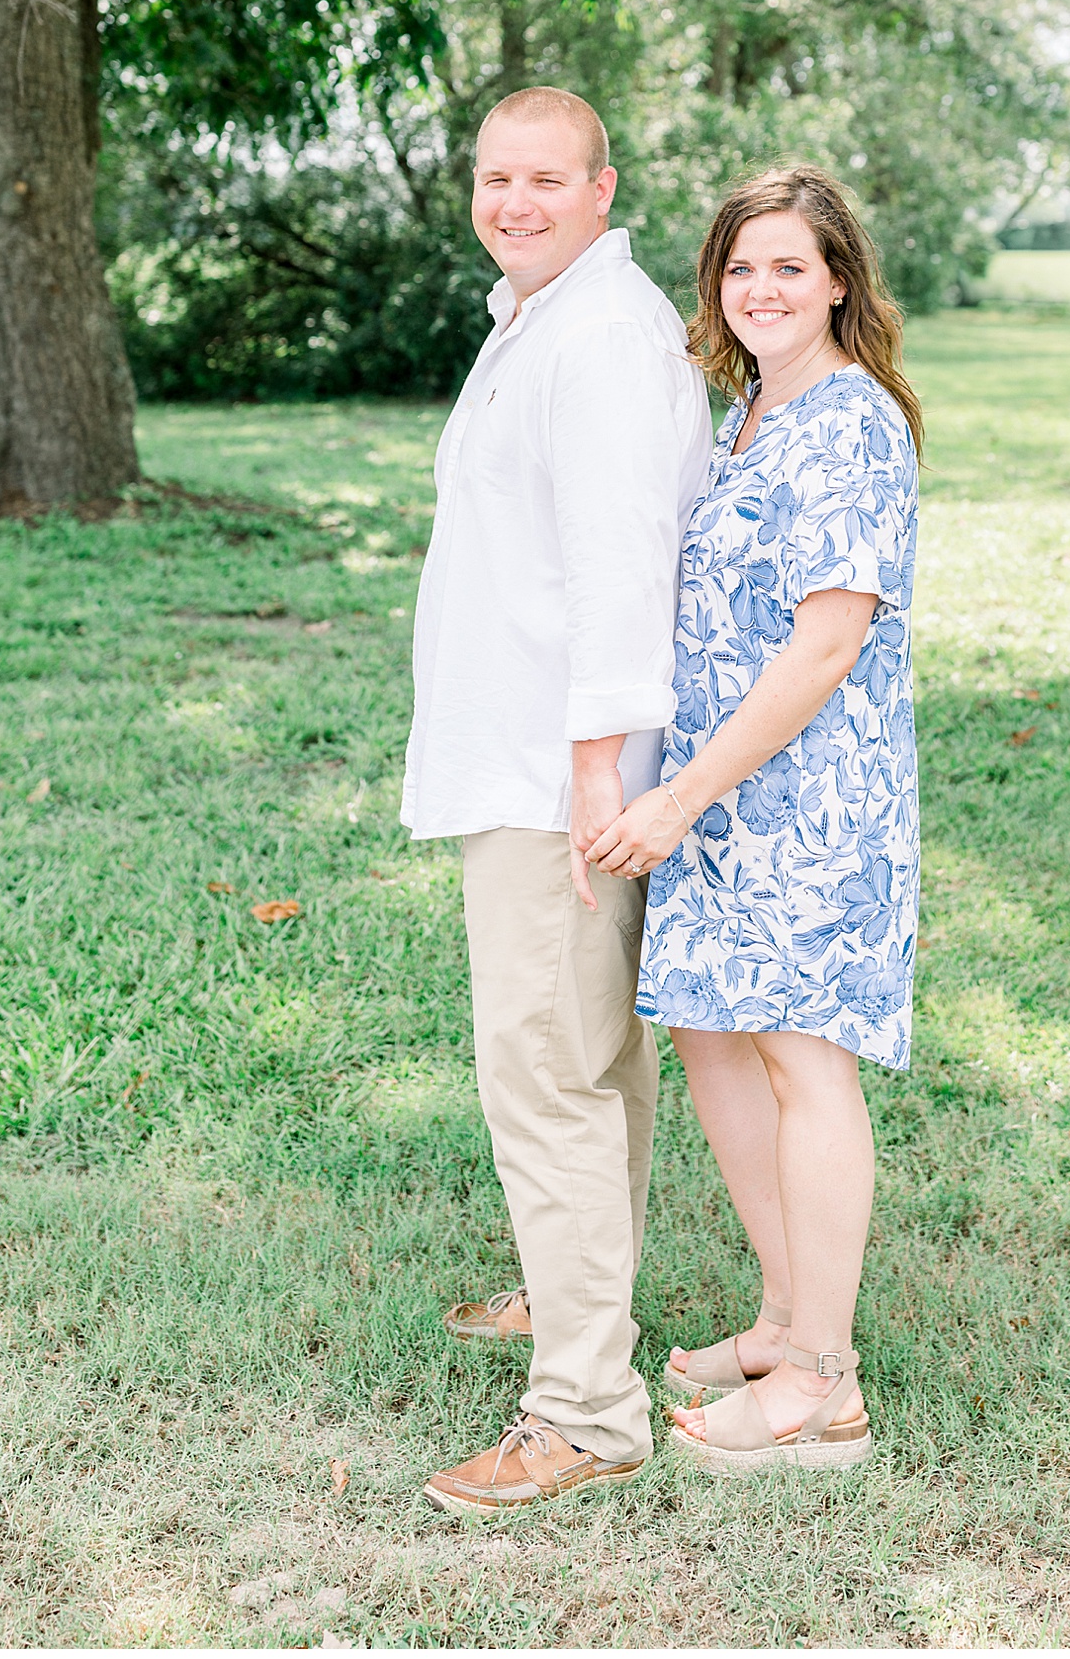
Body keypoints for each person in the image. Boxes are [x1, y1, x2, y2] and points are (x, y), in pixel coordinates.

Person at [403, 87, 712, 1517]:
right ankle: (568, 1288)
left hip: (556, 771)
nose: (513, 199)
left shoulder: (594, 334)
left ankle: (586, 1408)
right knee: (590, 1060)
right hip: (535, 752)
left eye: (544, 177)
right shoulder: (549, 309)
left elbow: (617, 560)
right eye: (494, 175)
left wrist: (597, 766)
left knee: (546, 1070)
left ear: (602, 185)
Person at [587, 164, 921, 1476]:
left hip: (808, 800)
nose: (763, 288)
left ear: (839, 279)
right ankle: (787, 1316)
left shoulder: (848, 422)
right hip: (720, 799)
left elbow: (827, 641)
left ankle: (827, 1384)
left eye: (790, 265)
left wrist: (676, 793)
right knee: (714, 1040)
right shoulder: (747, 413)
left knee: (803, 1059)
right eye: (741, 267)